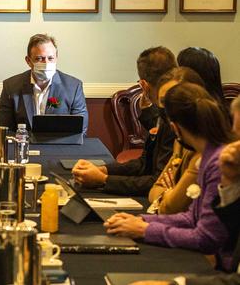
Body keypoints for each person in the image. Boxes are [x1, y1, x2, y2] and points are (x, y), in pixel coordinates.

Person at [104, 83, 235, 269]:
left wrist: (146, 230)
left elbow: (205, 238)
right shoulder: (207, 156)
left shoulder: (218, 163)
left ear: (175, 129)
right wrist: (142, 220)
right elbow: (192, 218)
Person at [73, 46, 177, 195]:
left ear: (144, 86)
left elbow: (157, 182)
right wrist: (103, 169)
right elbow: (144, 163)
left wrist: (104, 179)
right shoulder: (166, 111)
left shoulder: (173, 120)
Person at [0, 34, 88, 134]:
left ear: (56, 58)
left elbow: (80, 130)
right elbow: (5, 130)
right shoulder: (11, 86)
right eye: (39, 58)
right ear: (28, 61)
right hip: (24, 146)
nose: (46, 63)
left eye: (50, 58)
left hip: (60, 146)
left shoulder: (73, 87)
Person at [147, 68, 206, 215]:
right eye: (163, 102)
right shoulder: (180, 141)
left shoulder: (203, 151)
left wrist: (167, 195)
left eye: (175, 100)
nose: (167, 109)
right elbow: (155, 188)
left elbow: (171, 208)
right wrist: (168, 194)